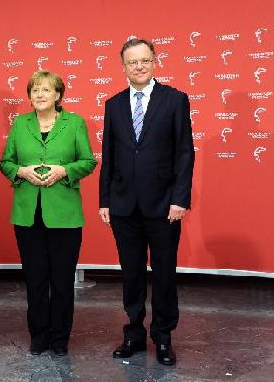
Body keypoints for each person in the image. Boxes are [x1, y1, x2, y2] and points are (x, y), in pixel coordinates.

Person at [99, 38, 194, 365]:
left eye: (144, 60)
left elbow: (184, 152)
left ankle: (163, 337)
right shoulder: (113, 104)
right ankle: (134, 334)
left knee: (165, 273)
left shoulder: (175, 100)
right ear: (123, 67)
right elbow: (109, 157)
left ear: (155, 62)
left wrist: (180, 199)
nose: (138, 67)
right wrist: (105, 200)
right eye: (131, 62)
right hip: (123, 205)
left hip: (164, 206)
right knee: (131, 274)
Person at [0, 70, 97, 356]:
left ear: (58, 94)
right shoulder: (20, 124)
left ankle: (60, 338)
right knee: (35, 279)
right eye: (34, 91)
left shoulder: (75, 123)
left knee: (63, 281)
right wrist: (21, 172)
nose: (39, 95)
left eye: (45, 90)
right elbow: (6, 162)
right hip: (28, 215)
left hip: (64, 215)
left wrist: (65, 170)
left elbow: (88, 161)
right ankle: (39, 336)